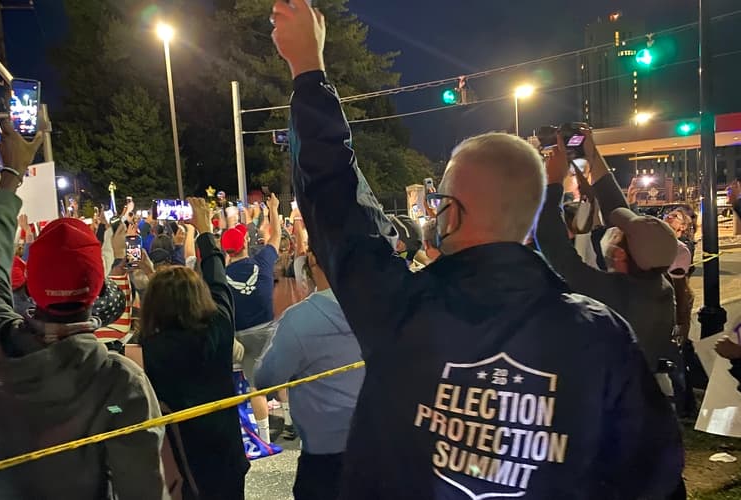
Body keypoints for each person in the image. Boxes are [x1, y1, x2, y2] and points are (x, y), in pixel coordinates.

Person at [271, 2, 683, 498]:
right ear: (530, 226)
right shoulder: (601, 336)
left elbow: (334, 200)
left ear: (452, 212)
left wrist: (308, 69)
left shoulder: (401, 307)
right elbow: (653, 481)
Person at [0, 124, 169, 499]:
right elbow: (143, 491)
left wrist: (11, 175)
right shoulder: (119, 382)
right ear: (96, 288)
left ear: (33, 282)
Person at [536, 131, 679, 377]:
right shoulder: (658, 286)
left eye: (617, 235)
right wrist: (593, 156)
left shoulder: (613, 297)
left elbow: (552, 243)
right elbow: (617, 209)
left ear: (619, 255)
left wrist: (552, 182)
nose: (612, 234)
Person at [139, 197, 249, 500]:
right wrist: (203, 231)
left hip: (179, 462)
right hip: (226, 455)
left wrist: (152, 280)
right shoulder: (219, 330)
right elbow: (218, 282)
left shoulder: (146, 352)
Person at [256, 248, 364, 500]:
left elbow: (266, 379)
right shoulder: (379, 309)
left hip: (324, 456)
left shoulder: (298, 320)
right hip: (379, 444)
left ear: (313, 264)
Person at [223, 193, 282, 442]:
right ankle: (286, 415)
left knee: (253, 387)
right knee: (279, 376)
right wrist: (273, 210)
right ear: (246, 242)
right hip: (269, 333)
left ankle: (264, 438)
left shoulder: (221, 277)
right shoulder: (263, 262)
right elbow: (276, 237)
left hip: (239, 339)